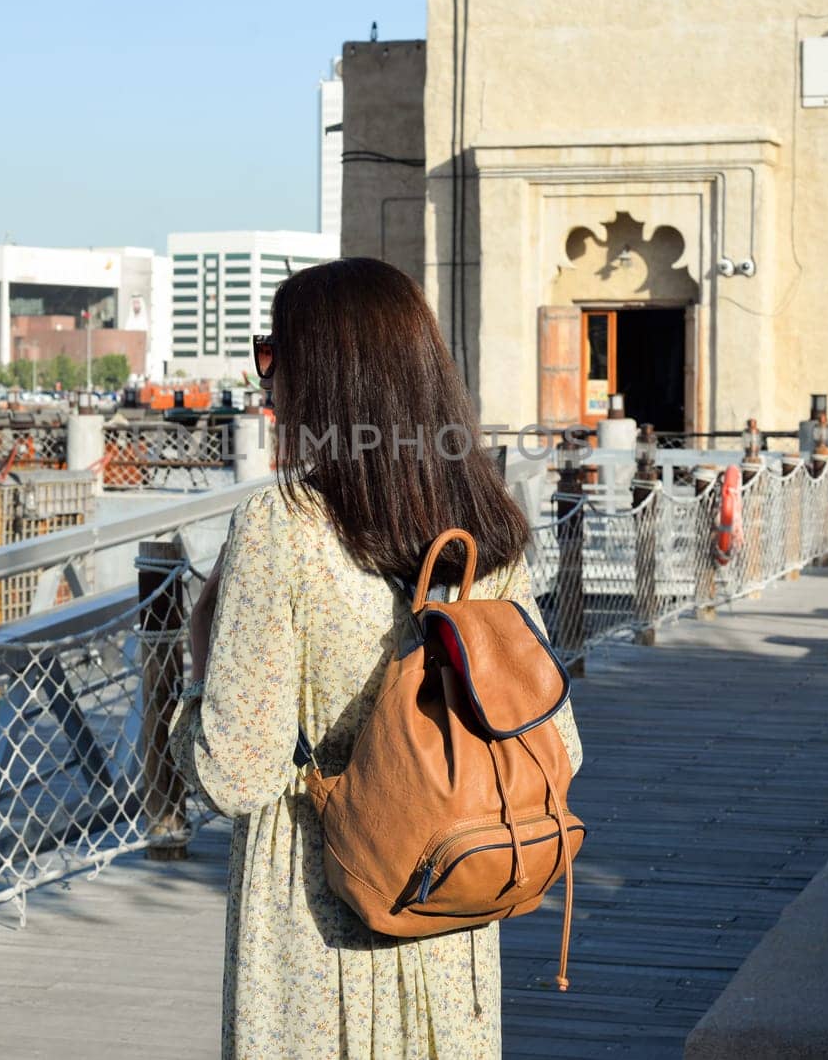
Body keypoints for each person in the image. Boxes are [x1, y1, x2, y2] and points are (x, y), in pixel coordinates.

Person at [168, 258, 582, 1059]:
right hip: (450, 892)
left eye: (270, 354)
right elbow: (560, 742)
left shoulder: (282, 527)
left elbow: (236, 772)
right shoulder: (483, 524)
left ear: (318, 372)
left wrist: (195, 673)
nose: (264, 379)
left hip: (319, 906)